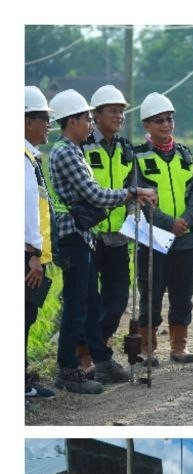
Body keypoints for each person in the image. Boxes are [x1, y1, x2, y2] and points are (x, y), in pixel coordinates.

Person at [46, 89, 156, 394]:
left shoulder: (93, 148)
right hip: (76, 235)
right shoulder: (67, 152)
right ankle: (69, 368)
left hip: (90, 234)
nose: (88, 124)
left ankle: (101, 358)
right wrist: (133, 194)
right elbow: (94, 193)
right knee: (77, 306)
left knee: (93, 304)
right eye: (85, 118)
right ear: (72, 121)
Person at [134, 92, 193, 364]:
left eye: (169, 119)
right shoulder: (137, 157)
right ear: (146, 125)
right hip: (153, 239)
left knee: (182, 293)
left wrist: (186, 220)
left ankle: (178, 346)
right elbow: (139, 198)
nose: (165, 125)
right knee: (151, 293)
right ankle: (146, 348)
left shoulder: (185, 155)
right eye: (158, 120)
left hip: (184, 238)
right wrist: (167, 222)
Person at [84, 86, 137, 368]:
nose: (119, 116)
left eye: (121, 111)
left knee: (117, 300)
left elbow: (132, 186)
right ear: (96, 114)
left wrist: (134, 210)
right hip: (89, 234)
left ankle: (97, 349)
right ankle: (85, 357)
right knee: (89, 299)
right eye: (113, 111)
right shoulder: (82, 145)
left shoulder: (126, 148)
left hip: (117, 235)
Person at [25, 85, 56, 399]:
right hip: (27, 255)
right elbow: (25, 212)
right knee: (22, 317)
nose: (49, 124)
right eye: (44, 118)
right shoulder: (20, 159)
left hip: (32, 253)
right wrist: (33, 254)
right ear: (26, 121)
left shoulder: (28, 157)